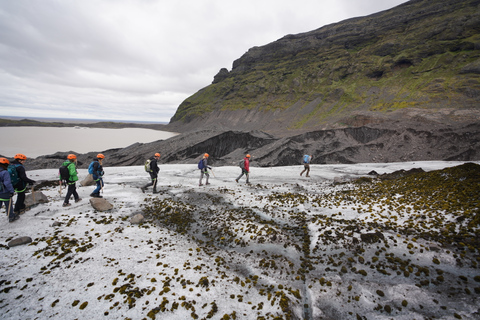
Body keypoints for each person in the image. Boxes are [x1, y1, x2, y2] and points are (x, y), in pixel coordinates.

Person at [0, 157, 18, 222]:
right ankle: (11, 216)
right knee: (8, 204)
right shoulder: (5, 172)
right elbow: (7, 183)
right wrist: (11, 191)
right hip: (4, 192)